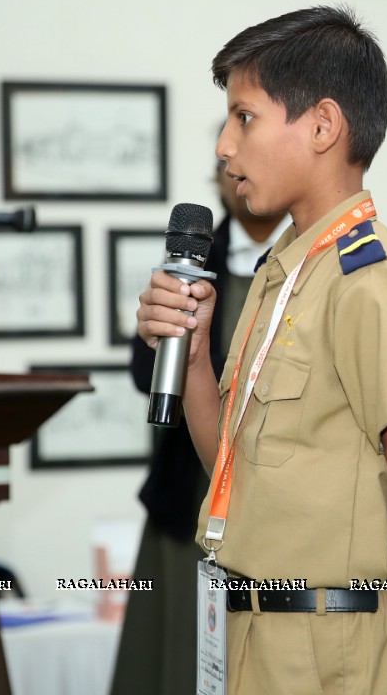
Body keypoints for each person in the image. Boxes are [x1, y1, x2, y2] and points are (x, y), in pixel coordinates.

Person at [135, 4, 387, 694]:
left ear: (321, 125)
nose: (225, 146)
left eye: (243, 117)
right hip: (257, 626)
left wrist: (350, 545)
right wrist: (192, 356)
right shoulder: (284, 272)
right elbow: (232, 464)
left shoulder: (367, 284)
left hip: (330, 640)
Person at [111, 156, 286, 695]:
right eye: (223, 165)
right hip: (189, 495)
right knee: (177, 662)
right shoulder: (191, 262)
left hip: (279, 506)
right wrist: (162, 330)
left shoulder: (309, 261)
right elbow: (146, 374)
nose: (234, 170)